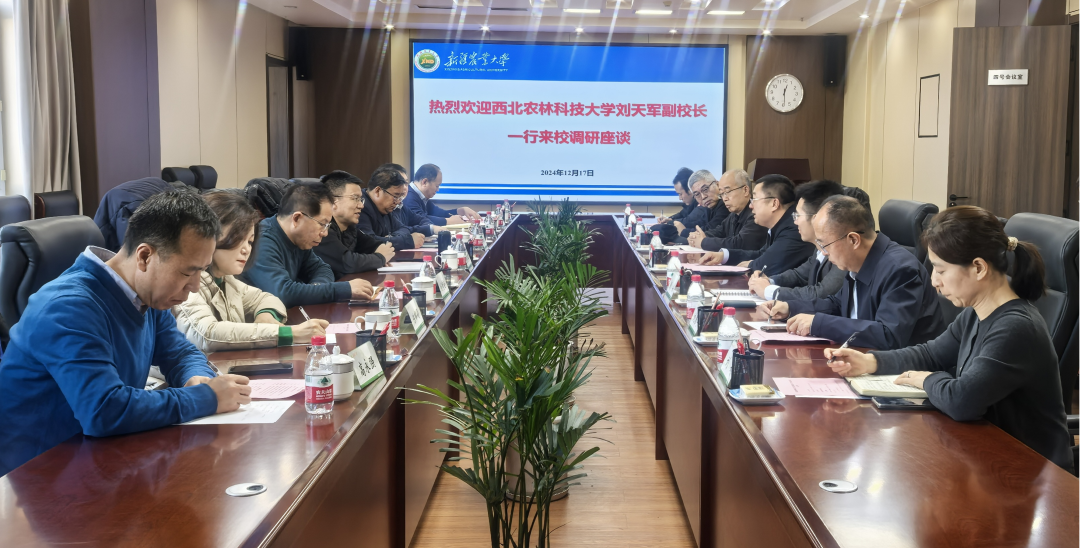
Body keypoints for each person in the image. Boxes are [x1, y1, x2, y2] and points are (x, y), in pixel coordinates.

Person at [0, 191, 252, 476]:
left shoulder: (147, 295)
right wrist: (206, 397)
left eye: (202, 272)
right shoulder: (68, 306)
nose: (195, 286)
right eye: (187, 273)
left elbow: (180, 353)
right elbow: (104, 410)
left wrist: (196, 378)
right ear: (145, 256)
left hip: (101, 459)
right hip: (40, 475)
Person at [826, 206, 1074, 472]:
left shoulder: (1015, 327)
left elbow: (961, 401)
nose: (934, 281)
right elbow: (931, 354)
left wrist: (927, 379)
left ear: (978, 267)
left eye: (941, 270)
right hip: (989, 457)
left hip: (1032, 474)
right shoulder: (975, 313)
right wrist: (870, 362)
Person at [763, 195, 945, 350]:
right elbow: (838, 304)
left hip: (903, 372)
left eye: (825, 245)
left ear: (853, 240)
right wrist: (791, 308)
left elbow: (888, 335)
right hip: (863, 357)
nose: (823, 253)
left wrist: (818, 324)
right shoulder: (859, 260)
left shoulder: (900, 269)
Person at [174, 192, 329, 353]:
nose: (246, 249)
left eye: (249, 241)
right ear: (208, 236)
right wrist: (288, 333)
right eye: (237, 239)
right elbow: (206, 334)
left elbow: (267, 298)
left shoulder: (227, 280)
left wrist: (266, 315)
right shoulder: (188, 283)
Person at [240, 181, 374, 307]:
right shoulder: (262, 240)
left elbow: (322, 269)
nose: (325, 233)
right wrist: (343, 289)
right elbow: (282, 293)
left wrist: (317, 289)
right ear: (297, 218)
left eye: (328, 225)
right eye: (322, 224)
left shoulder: (299, 239)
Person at [747, 179, 847, 300]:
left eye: (798, 215)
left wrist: (770, 291)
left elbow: (821, 293)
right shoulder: (819, 248)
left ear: (818, 218)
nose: (795, 222)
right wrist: (769, 281)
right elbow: (799, 275)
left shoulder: (842, 250)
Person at [697, 175, 812, 273]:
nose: (751, 205)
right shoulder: (779, 224)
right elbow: (762, 254)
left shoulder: (794, 227)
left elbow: (769, 264)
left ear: (774, 203)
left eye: (755, 199)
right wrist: (723, 256)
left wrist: (751, 264)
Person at [313, 170, 395, 278]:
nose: (361, 205)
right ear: (333, 201)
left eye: (361, 199)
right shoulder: (322, 228)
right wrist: (380, 258)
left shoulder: (349, 227)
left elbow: (374, 245)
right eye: (355, 198)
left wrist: (381, 251)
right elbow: (348, 263)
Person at [687, 169, 766, 253]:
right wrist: (697, 237)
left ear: (745, 190)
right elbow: (718, 232)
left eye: (728, 192)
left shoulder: (756, 215)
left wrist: (703, 242)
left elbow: (739, 243)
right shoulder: (733, 215)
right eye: (722, 193)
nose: (724, 198)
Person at [358, 167, 433, 251]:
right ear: (377, 191)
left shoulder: (385, 207)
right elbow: (368, 242)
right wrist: (407, 241)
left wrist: (391, 238)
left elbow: (404, 229)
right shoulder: (360, 207)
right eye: (395, 196)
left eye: (400, 197)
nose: (397, 202)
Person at [405, 163, 478, 226]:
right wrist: (448, 221)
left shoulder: (421, 196)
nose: (438, 190)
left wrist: (461, 210)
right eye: (437, 186)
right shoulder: (409, 197)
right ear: (425, 182)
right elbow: (419, 220)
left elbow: (440, 213)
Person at [674, 169, 730, 244]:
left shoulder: (725, 205)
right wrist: (675, 225)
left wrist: (683, 231)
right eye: (697, 194)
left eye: (705, 189)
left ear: (717, 184)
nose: (703, 197)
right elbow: (699, 223)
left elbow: (710, 231)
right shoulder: (708, 207)